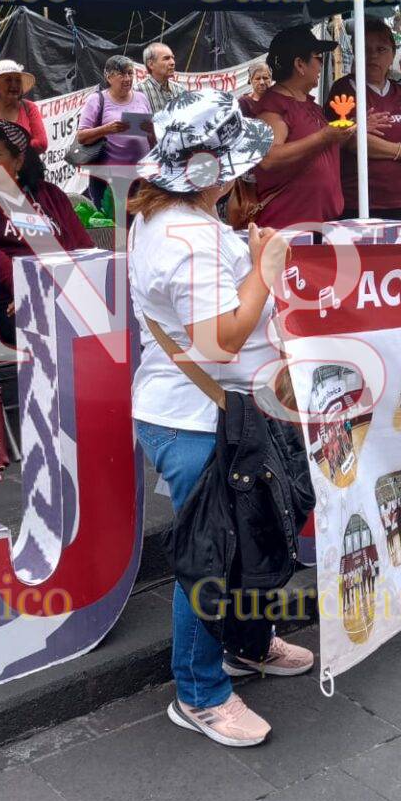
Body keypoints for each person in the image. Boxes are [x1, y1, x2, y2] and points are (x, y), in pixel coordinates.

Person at [128, 88, 313, 747]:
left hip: (221, 414)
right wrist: (265, 267)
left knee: (247, 538)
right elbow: (218, 341)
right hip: (200, 418)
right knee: (214, 554)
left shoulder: (172, 217)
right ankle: (200, 691)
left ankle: (249, 643)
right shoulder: (187, 238)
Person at [0, 121, 93, 348]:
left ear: (19, 161)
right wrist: (28, 287)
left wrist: (66, 288)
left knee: (108, 312)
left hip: (60, 289)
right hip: (4, 297)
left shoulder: (50, 195)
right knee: (56, 324)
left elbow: (83, 248)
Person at [245, 25, 353, 228]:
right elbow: (268, 158)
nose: (321, 65)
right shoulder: (273, 107)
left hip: (318, 223)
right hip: (290, 226)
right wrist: (324, 136)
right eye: (318, 58)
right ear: (300, 64)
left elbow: (322, 144)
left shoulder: (307, 102)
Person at [331, 19, 401, 221]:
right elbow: (350, 139)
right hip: (358, 201)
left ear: (393, 55)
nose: (373, 56)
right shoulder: (344, 89)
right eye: (366, 49)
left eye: (381, 49)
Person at [75, 54, 153, 204]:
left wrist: (152, 129)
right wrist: (107, 129)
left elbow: (151, 137)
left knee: (140, 222)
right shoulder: (97, 99)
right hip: (108, 180)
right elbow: (82, 136)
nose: (127, 78)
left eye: (130, 73)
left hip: (140, 178)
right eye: (122, 74)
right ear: (109, 78)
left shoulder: (142, 97)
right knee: (113, 224)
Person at [0, 60, 48, 151]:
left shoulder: (29, 107)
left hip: (26, 165)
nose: (14, 85)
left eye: (18, 80)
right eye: (8, 80)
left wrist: (10, 152)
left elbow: (42, 143)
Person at [141, 43, 180, 114]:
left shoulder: (179, 89)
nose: (172, 62)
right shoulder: (138, 91)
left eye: (173, 58)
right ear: (151, 64)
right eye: (166, 58)